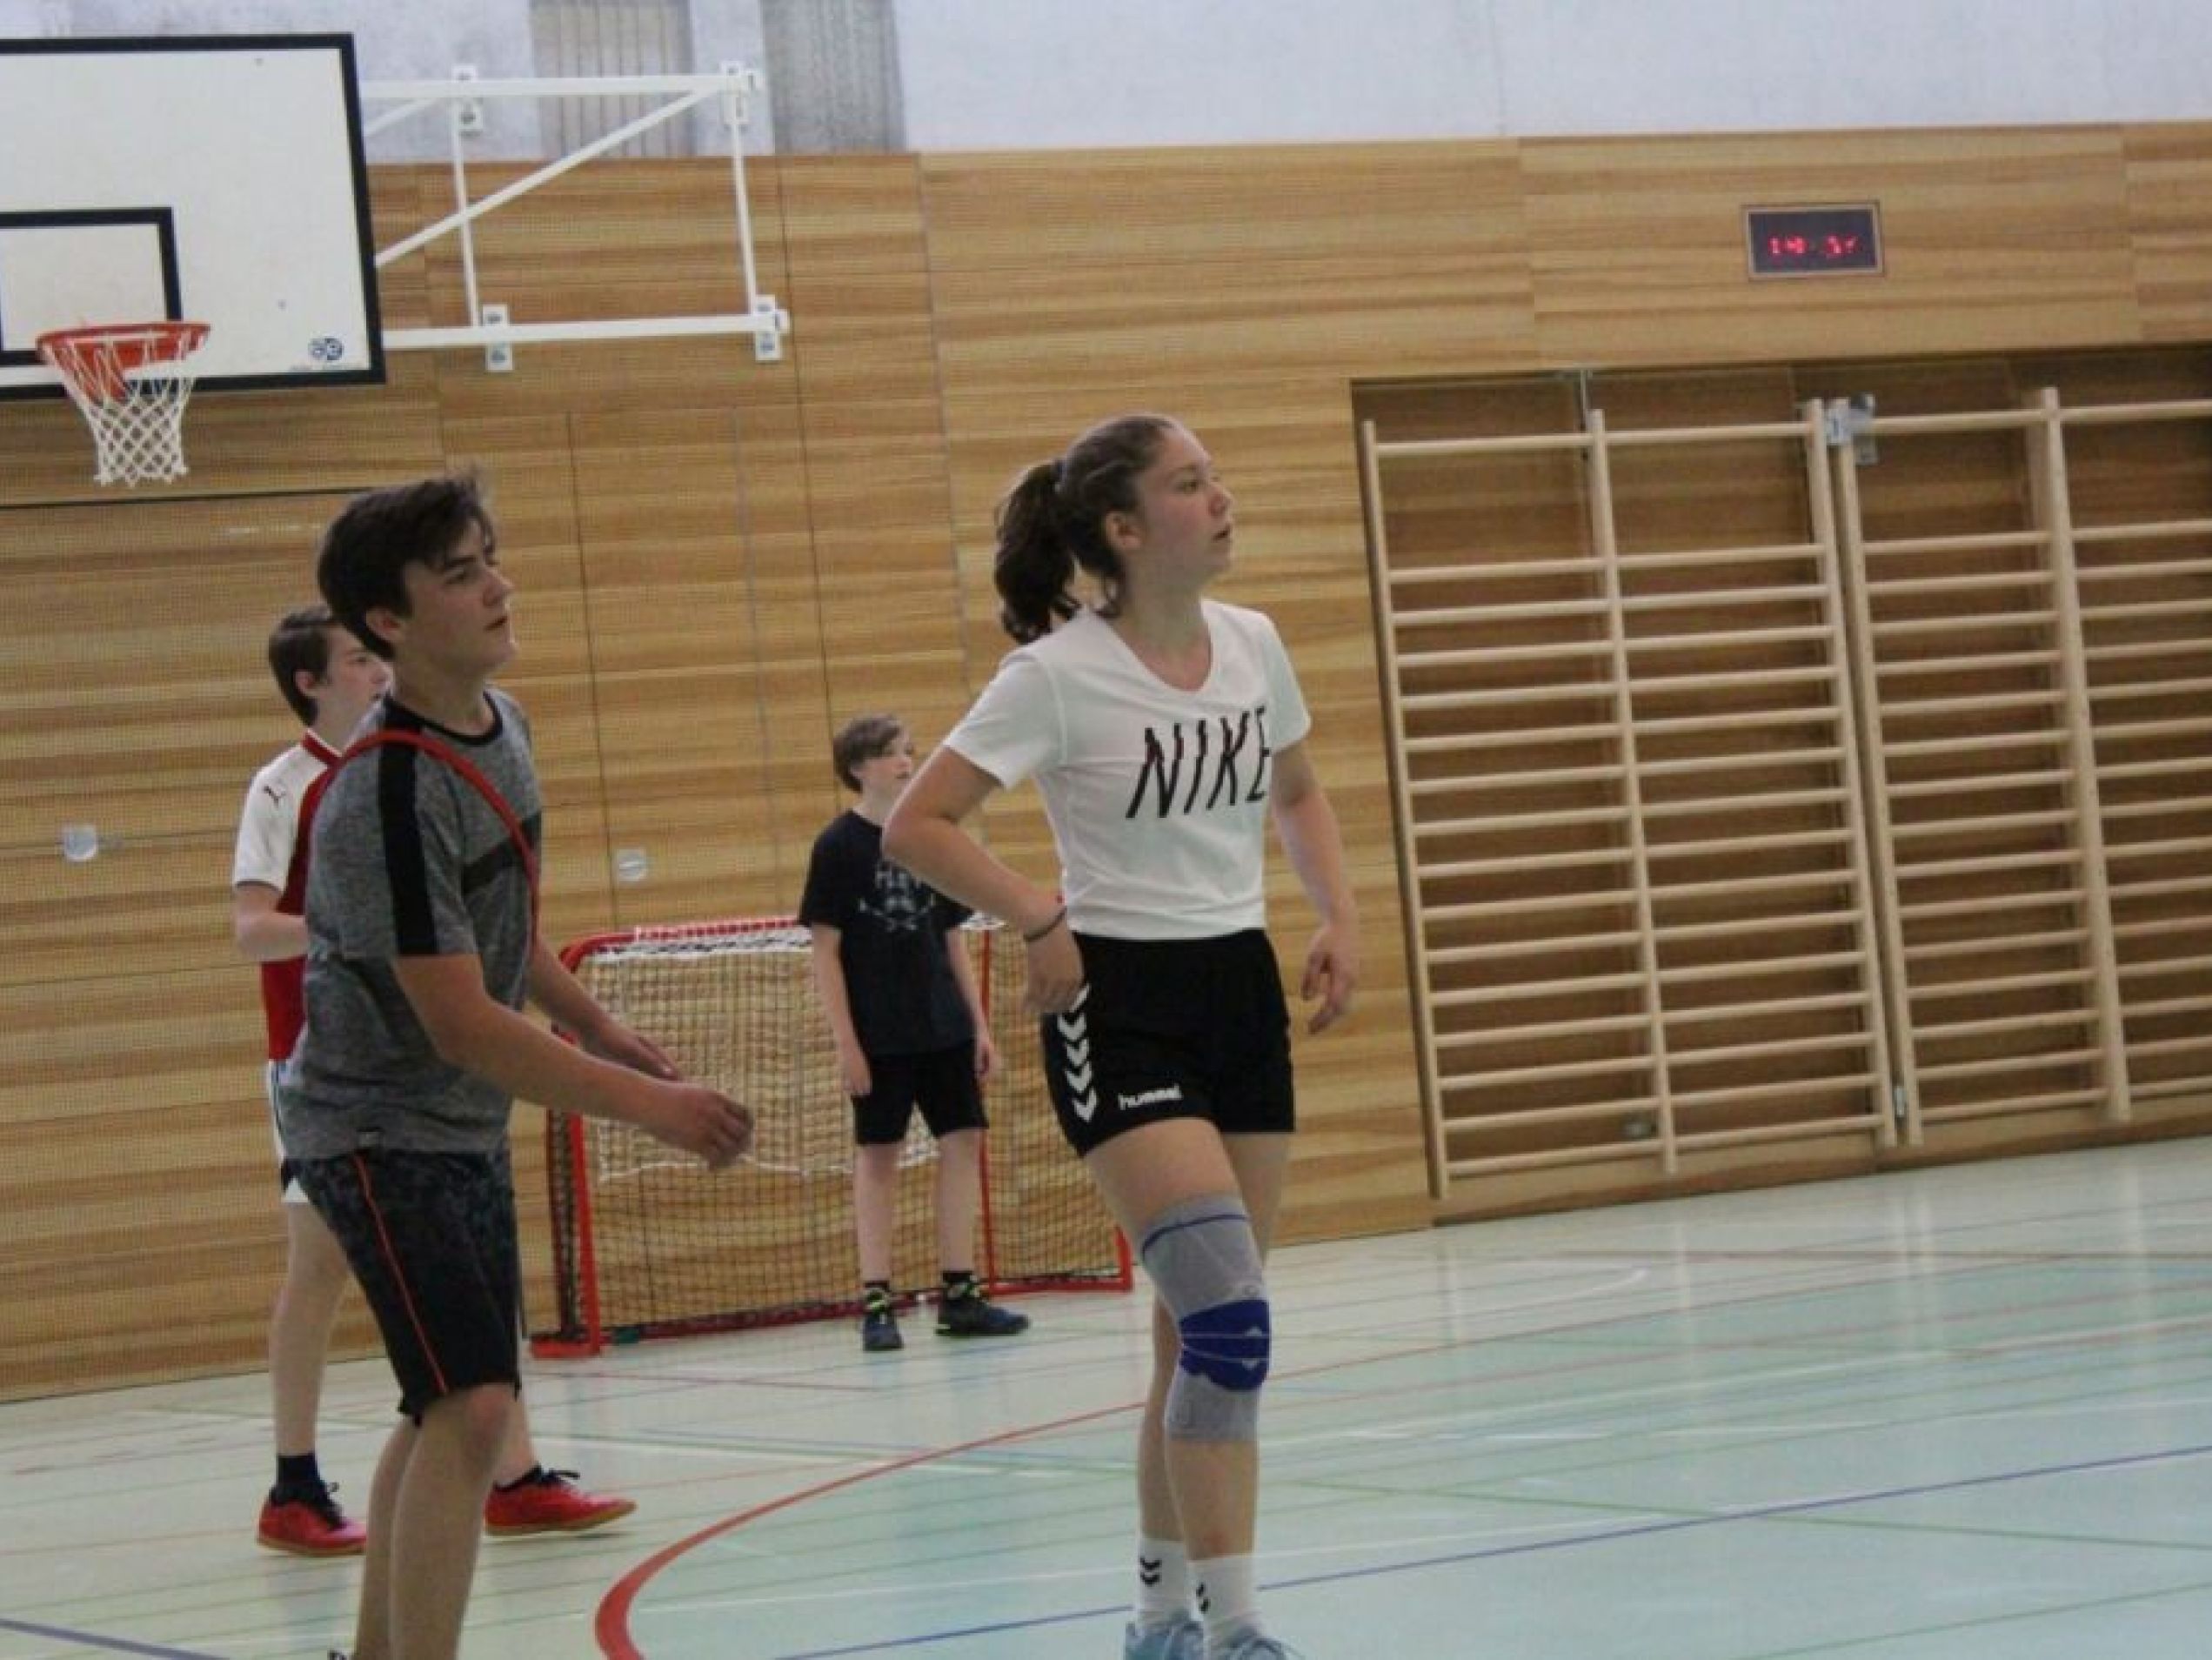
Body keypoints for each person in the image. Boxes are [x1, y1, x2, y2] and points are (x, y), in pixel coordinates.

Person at [883, 415, 1357, 1660]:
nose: (1220, 498)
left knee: (1194, 1332)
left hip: (1236, 990)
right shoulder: (1054, 675)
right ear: (1123, 529)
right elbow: (917, 824)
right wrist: (1035, 913)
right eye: (1189, 484)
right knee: (1229, 1326)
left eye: (1214, 477)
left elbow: (1297, 788)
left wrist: (1337, 914)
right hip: (1120, 1001)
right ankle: (1236, 1625)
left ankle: (1156, 1613)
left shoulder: (1253, 644)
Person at [280, 474, 753, 1660]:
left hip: (456, 1126)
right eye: (459, 574)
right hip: (373, 1130)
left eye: (490, 559)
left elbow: (498, 931)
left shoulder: (507, 726)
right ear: (386, 622)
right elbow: (459, 1019)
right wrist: (651, 1106)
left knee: (446, 1400)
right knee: (474, 1403)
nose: (497, 587)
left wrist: (599, 1029)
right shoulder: (384, 793)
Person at [232, 606, 641, 1557]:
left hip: (442, 1068)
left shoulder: (426, 766)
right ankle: (293, 1480)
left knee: (477, 1277)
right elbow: (251, 929)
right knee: (320, 1270)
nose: (376, 672)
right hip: (329, 1071)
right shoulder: (287, 786)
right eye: (355, 660)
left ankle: (515, 1475)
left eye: (377, 657)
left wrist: (589, 1022)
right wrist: (365, 926)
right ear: (309, 682)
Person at [800, 713, 1032, 1352]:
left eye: (909, 752)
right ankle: (877, 1300)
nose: (906, 762)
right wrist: (847, 1044)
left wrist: (978, 1025)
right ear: (858, 768)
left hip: (944, 1026)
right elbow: (825, 951)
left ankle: (960, 1295)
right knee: (879, 1157)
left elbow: (952, 938)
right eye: (891, 754)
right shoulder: (838, 846)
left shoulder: (931, 835)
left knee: (963, 1143)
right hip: (880, 1034)